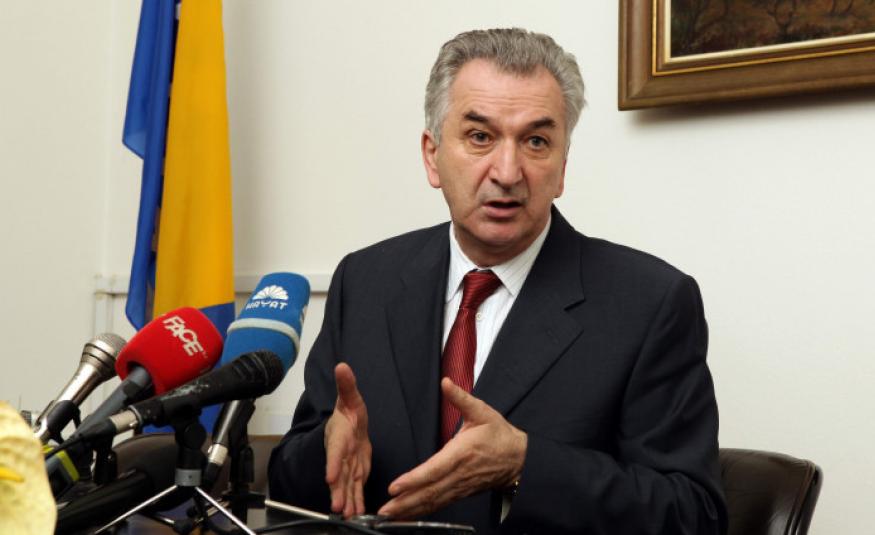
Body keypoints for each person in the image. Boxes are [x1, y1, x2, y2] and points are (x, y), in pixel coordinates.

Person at [269, 28, 727, 534]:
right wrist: (325, 449)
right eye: (480, 137)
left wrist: (524, 466)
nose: (507, 172)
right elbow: (286, 490)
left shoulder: (649, 303)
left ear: (561, 169)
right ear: (432, 156)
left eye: (536, 141)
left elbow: (693, 515)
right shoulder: (365, 281)